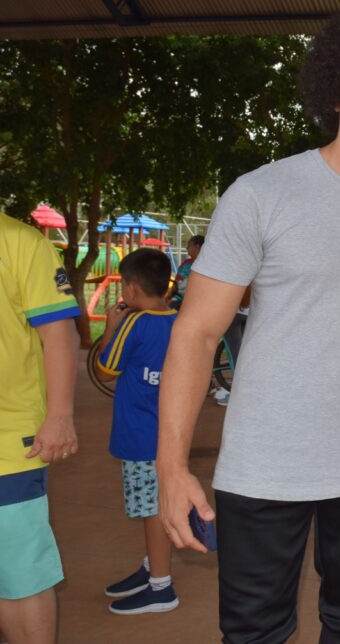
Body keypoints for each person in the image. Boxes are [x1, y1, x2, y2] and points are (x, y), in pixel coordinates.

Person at [156, 4, 340, 643]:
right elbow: (196, 334)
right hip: (263, 462)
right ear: (336, 94)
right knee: (254, 630)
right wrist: (171, 467)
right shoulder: (261, 194)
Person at [0, 212, 79, 644]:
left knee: (19, 576)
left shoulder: (18, 241)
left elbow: (58, 333)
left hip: (7, 446)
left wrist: (60, 415)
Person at [94, 248, 179, 615]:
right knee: (155, 505)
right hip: (168, 433)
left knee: (153, 510)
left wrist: (110, 330)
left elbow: (104, 370)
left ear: (128, 288)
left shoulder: (134, 323)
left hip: (141, 435)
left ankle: (161, 586)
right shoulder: (180, 320)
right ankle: (151, 570)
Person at [168, 235, 203, 308]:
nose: (187, 248)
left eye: (189, 245)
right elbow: (177, 282)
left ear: (197, 246)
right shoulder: (186, 263)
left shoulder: (205, 264)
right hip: (180, 298)